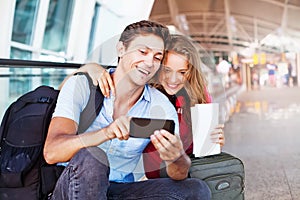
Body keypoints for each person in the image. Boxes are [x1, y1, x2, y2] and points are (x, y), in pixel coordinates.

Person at [44, 20, 211, 199]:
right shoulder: (83, 86)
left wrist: (176, 157)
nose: (149, 62)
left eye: (157, 57)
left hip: (120, 189)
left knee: (196, 190)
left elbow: (178, 174)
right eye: (142, 51)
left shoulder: (161, 105)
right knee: (92, 158)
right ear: (121, 49)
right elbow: (52, 152)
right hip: (72, 187)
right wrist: (106, 132)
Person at [75, 34, 225, 179]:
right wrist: (91, 68)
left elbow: (207, 153)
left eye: (182, 72)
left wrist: (215, 143)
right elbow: (120, 73)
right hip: (156, 174)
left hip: (188, 168)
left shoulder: (199, 96)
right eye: (167, 70)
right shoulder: (144, 90)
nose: (173, 79)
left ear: (190, 73)